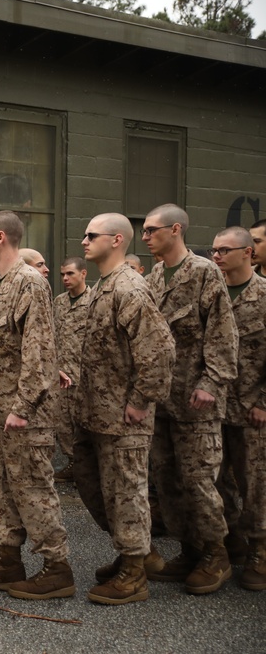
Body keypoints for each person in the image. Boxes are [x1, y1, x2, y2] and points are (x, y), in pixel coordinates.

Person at [0, 210, 75, 601]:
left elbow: (39, 353)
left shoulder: (29, 283)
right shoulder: (4, 283)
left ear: (2, 238)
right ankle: (8, 561)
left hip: (23, 413)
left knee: (33, 487)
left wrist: (23, 407)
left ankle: (56, 569)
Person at [74, 214, 174, 605]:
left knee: (127, 490)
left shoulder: (130, 287)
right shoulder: (106, 285)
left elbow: (159, 350)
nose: (84, 241)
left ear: (116, 240)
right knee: (108, 490)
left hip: (124, 415)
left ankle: (135, 572)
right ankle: (130, 553)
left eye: (91, 236)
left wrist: (139, 401)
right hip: (100, 411)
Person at [142, 204, 238, 595]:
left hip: (196, 401)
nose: (145, 236)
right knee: (168, 481)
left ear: (175, 230)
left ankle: (216, 553)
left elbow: (222, 333)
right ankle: (189, 549)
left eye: (151, 230)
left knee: (199, 480)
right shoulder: (152, 277)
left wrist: (211, 383)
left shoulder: (203, 272)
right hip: (162, 400)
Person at [210, 226, 266, 590]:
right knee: (218, 479)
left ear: (248, 252)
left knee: (255, 481)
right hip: (214, 404)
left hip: (250, 407)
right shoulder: (212, 293)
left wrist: (263, 401)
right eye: (214, 250)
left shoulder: (263, 296)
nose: (216, 256)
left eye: (225, 250)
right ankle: (233, 542)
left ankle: (260, 549)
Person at [52, 257, 91, 483]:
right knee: (63, 425)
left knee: (84, 425)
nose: (65, 279)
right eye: (63, 275)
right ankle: (74, 464)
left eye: (70, 274)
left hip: (84, 375)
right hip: (62, 375)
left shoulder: (94, 300)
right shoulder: (59, 302)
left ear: (83, 273)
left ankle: (87, 469)